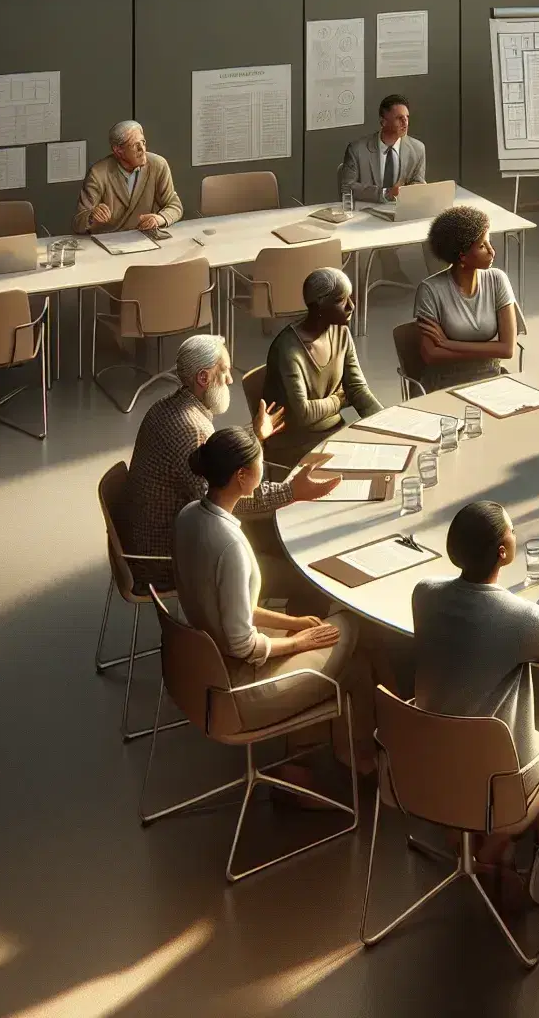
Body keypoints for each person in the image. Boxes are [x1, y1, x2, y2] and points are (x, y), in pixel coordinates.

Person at [413, 504, 539, 907]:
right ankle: (513, 849)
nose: (516, 534)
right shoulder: (518, 617)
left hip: (425, 768)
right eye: (513, 531)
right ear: (503, 552)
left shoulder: (424, 594)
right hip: (496, 780)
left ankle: (479, 845)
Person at [172, 427, 384, 788]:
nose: (265, 473)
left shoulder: (190, 515)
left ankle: (337, 756)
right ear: (242, 477)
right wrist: (299, 643)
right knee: (350, 621)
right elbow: (244, 645)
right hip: (237, 688)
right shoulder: (231, 546)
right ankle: (350, 763)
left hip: (201, 668)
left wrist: (293, 622)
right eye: (259, 466)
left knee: (356, 665)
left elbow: (228, 605)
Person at [120, 335, 341, 589]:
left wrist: (255, 435)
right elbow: (221, 500)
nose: (230, 379)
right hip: (167, 562)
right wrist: (291, 491)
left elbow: (217, 461)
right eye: (224, 371)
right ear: (203, 378)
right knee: (293, 564)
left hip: (149, 539)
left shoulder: (169, 408)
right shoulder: (192, 429)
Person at [263, 267, 384, 467]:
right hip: (295, 444)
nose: (351, 306)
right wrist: (338, 401)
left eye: (350, 297)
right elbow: (303, 415)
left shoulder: (341, 334)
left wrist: (385, 422)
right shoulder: (288, 350)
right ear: (319, 306)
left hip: (334, 432)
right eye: (341, 300)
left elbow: (357, 389)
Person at [412, 206, 519, 389]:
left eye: (489, 242)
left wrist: (448, 344)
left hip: (491, 381)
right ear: (462, 256)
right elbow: (430, 354)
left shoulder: (498, 280)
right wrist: (489, 350)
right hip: (444, 385)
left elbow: (508, 349)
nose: (492, 252)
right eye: (482, 246)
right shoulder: (429, 290)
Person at [73, 121, 183, 235]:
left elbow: (175, 205)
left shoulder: (158, 165)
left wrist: (159, 219)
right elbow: (78, 222)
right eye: (135, 145)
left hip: (144, 237)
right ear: (118, 150)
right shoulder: (98, 173)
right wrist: (91, 216)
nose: (142, 149)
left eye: (143, 142)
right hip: (108, 240)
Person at [337, 94, 426, 204]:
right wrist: (385, 193)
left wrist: (412, 190)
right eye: (399, 118)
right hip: (366, 212)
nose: (405, 123)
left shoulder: (417, 149)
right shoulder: (357, 149)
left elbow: (418, 182)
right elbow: (347, 188)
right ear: (383, 121)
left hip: (401, 212)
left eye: (407, 117)